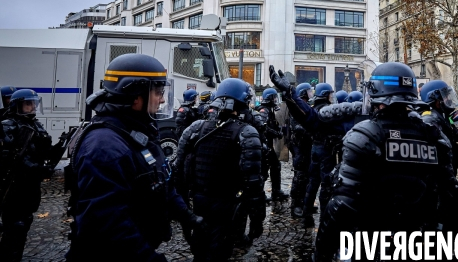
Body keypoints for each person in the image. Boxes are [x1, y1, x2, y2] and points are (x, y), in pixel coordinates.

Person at [312, 62, 458, 261]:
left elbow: (342, 205)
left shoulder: (365, 134)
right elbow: (456, 204)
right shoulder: (433, 136)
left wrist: (321, 254)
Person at [65, 54, 203, 262]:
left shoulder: (137, 130)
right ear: (135, 96)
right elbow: (109, 224)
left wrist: (186, 215)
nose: (163, 99)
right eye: (158, 92)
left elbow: (160, 179)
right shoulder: (105, 146)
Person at [174, 78, 266, 261]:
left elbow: (178, 172)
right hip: (227, 207)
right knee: (219, 252)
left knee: (200, 251)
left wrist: (184, 213)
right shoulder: (246, 132)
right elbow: (254, 184)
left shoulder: (196, 128)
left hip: (198, 203)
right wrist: (257, 221)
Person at [269, 67, 349, 228]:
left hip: (312, 149)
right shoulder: (324, 110)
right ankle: (305, 210)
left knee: (311, 182)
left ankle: (305, 211)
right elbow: (302, 124)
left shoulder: (315, 108)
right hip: (310, 149)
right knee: (312, 182)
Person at [0, 89, 56, 261]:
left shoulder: (35, 125)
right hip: (13, 186)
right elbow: (12, 159)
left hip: (31, 186)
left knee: (26, 221)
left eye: (34, 103)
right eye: (28, 104)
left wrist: (60, 146)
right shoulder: (8, 125)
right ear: (18, 105)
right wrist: (37, 169)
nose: (32, 107)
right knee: (15, 226)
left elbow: (43, 152)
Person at [419, 80, 458, 235]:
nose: (448, 100)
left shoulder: (439, 115)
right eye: (445, 97)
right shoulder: (430, 118)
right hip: (437, 179)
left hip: (443, 176)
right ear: (436, 99)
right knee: (455, 207)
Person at [256, 88, 288, 202]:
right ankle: (260, 194)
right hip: (265, 144)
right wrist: (276, 133)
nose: (276, 100)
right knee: (264, 170)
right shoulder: (264, 110)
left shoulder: (270, 109)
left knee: (275, 166)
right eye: (274, 97)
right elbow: (263, 126)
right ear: (270, 98)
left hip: (269, 144)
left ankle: (276, 191)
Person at [287, 83, 315, 218]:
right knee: (299, 176)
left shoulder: (306, 106)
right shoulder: (296, 108)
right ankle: (295, 205)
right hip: (299, 146)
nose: (311, 94)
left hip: (307, 146)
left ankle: (304, 202)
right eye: (308, 92)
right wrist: (310, 131)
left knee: (307, 176)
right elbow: (296, 127)